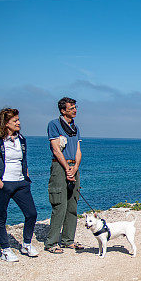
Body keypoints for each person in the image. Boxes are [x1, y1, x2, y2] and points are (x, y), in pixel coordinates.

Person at [0, 108, 39, 262]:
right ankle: (5, 250)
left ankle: (26, 244)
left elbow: (23, 160)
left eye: (18, 120)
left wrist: (26, 177)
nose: (19, 123)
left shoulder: (21, 139)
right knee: (1, 217)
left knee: (32, 214)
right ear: (6, 123)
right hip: (3, 183)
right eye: (15, 121)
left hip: (21, 183)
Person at [45, 97, 82, 253]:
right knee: (60, 204)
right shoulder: (54, 125)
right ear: (63, 110)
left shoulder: (76, 127)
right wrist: (67, 168)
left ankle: (68, 240)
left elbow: (78, 149)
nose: (75, 110)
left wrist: (75, 168)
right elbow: (55, 149)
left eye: (75, 107)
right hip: (60, 166)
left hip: (74, 165)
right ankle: (51, 243)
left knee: (72, 203)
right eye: (71, 107)